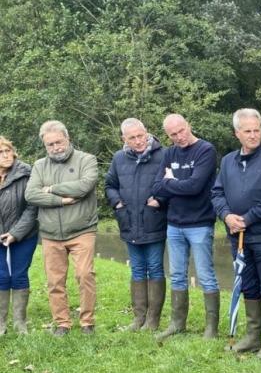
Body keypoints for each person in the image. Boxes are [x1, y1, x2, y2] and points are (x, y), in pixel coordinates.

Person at [211, 108, 261, 360]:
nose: (254, 135)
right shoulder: (227, 161)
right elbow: (217, 193)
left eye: (257, 130)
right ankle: (253, 336)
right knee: (248, 283)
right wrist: (226, 216)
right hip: (237, 236)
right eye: (248, 131)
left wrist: (247, 219)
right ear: (237, 133)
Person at [25, 120, 99, 336]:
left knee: (85, 275)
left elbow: (84, 186)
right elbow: (31, 194)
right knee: (54, 281)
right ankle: (62, 323)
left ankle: (87, 322)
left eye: (59, 142)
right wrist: (60, 200)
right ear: (45, 146)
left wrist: (51, 189)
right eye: (50, 144)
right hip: (50, 234)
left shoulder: (86, 159)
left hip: (82, 229)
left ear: (68, 138)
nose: (56, 147)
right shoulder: (40, 165)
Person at [152, 113, 219, 340]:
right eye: (173, 134)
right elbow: (156, 187)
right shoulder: (169, 153)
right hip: (174, 224)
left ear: (188, 125)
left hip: (200, 223)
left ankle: (211, 328)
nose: (179, 137)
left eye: (181, 131)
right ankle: (177, 323)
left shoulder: (205, 150)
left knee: (205, 275)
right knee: (177, 274)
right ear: (168, 136)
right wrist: (172, 184)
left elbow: (195, 186)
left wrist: (170, 180)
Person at [105, 118, 167, 331]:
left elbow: (172, 183)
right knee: (138, 270)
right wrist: (118, 204)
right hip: (128, 222)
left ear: (147, 132)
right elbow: (110, 185)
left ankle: (153, 320)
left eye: (141, 135)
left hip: (154, 221)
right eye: (132, 138)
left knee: (155, 268)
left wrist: (160, 200)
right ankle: (138, 318)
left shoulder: (163, 155)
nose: (138, 141)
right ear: (124, 139)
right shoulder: (119, 158)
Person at [0, 136, 38, 335]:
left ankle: (20, 323)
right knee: (1, 276)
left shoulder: (26, 172)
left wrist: (15, 233)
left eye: (8, 151)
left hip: (24, 235)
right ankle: (1, 324)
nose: (6, 156)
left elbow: (32, 208)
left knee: (19, 275)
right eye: (1, 153)